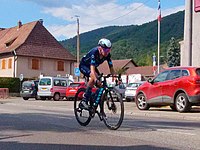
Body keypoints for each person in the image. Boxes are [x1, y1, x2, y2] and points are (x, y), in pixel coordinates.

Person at [79, 38, 115, 109]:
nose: (107, 52)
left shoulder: (107, 55)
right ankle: (84, 100)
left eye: (109, 50)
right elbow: (92, 70)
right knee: (94, 78)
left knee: (101, 85)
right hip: (84, 66)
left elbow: (111, 67)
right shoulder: (94, 52)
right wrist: (95, 79)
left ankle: (94, 99)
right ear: (100, 48)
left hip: (93, 67)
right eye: (105, 50)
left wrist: (115, 76)